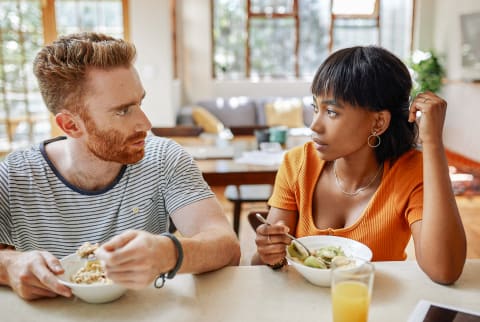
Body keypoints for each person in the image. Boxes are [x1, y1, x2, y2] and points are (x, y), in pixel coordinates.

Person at [0, 32, 240, 300]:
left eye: (140, 103)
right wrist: (8, 265)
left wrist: (169, 253)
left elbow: (227, 246)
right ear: (70, 125)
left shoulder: (163, 157)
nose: (146, 124)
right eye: (123, 111)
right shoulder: (14, 175)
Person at [252, 46, 466, 284]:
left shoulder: (410, 172)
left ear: (378, 122)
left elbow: (445, 270)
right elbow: (260, 266)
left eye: (331, 112)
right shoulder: (297, 163)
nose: (314, 126)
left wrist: (433, 142)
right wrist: (270, 253)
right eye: (316, 108)